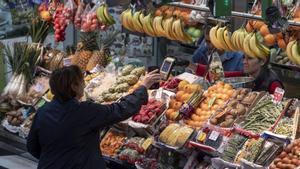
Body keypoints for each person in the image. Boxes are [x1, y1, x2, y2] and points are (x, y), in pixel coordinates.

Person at [27, 65, 161, 169]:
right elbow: (120, 109)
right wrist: (143, 86)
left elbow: (32, 146)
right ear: (74, 86)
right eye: (81, 82)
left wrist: (56, 159)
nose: (84, 85)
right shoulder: (84, 111)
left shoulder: (43, 112)